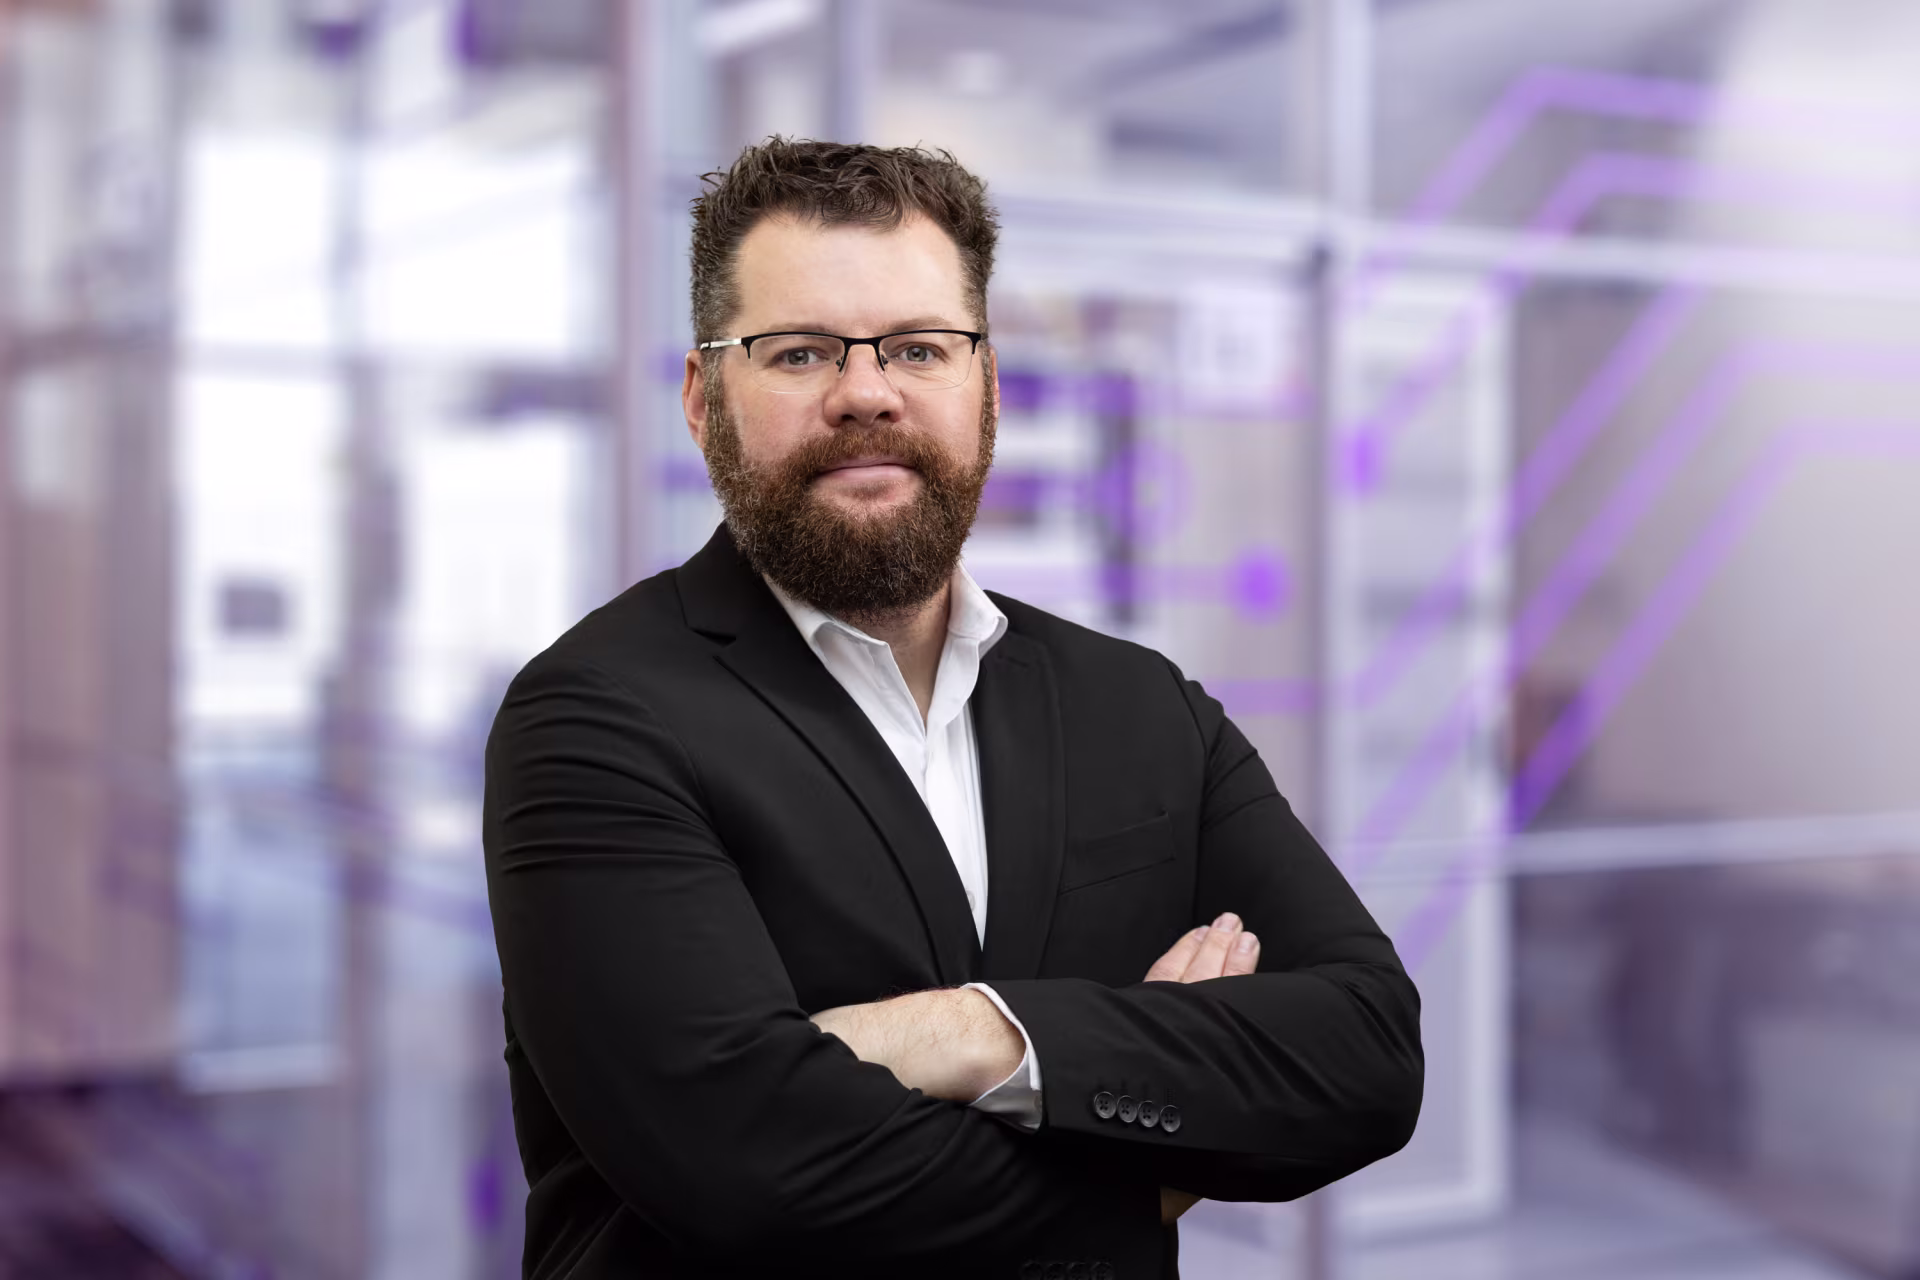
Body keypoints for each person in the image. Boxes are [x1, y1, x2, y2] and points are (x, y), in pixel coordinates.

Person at [482, 138, 1423, 1280]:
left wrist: (973, 1032)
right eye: (798, 351)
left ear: (985, 387)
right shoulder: (593, 719)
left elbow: (1370, 1053)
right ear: (701, 397)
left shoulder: (1140, 704)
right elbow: (745, 1169)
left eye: (920, 348)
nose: (865, 391)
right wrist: (1158, 1146)